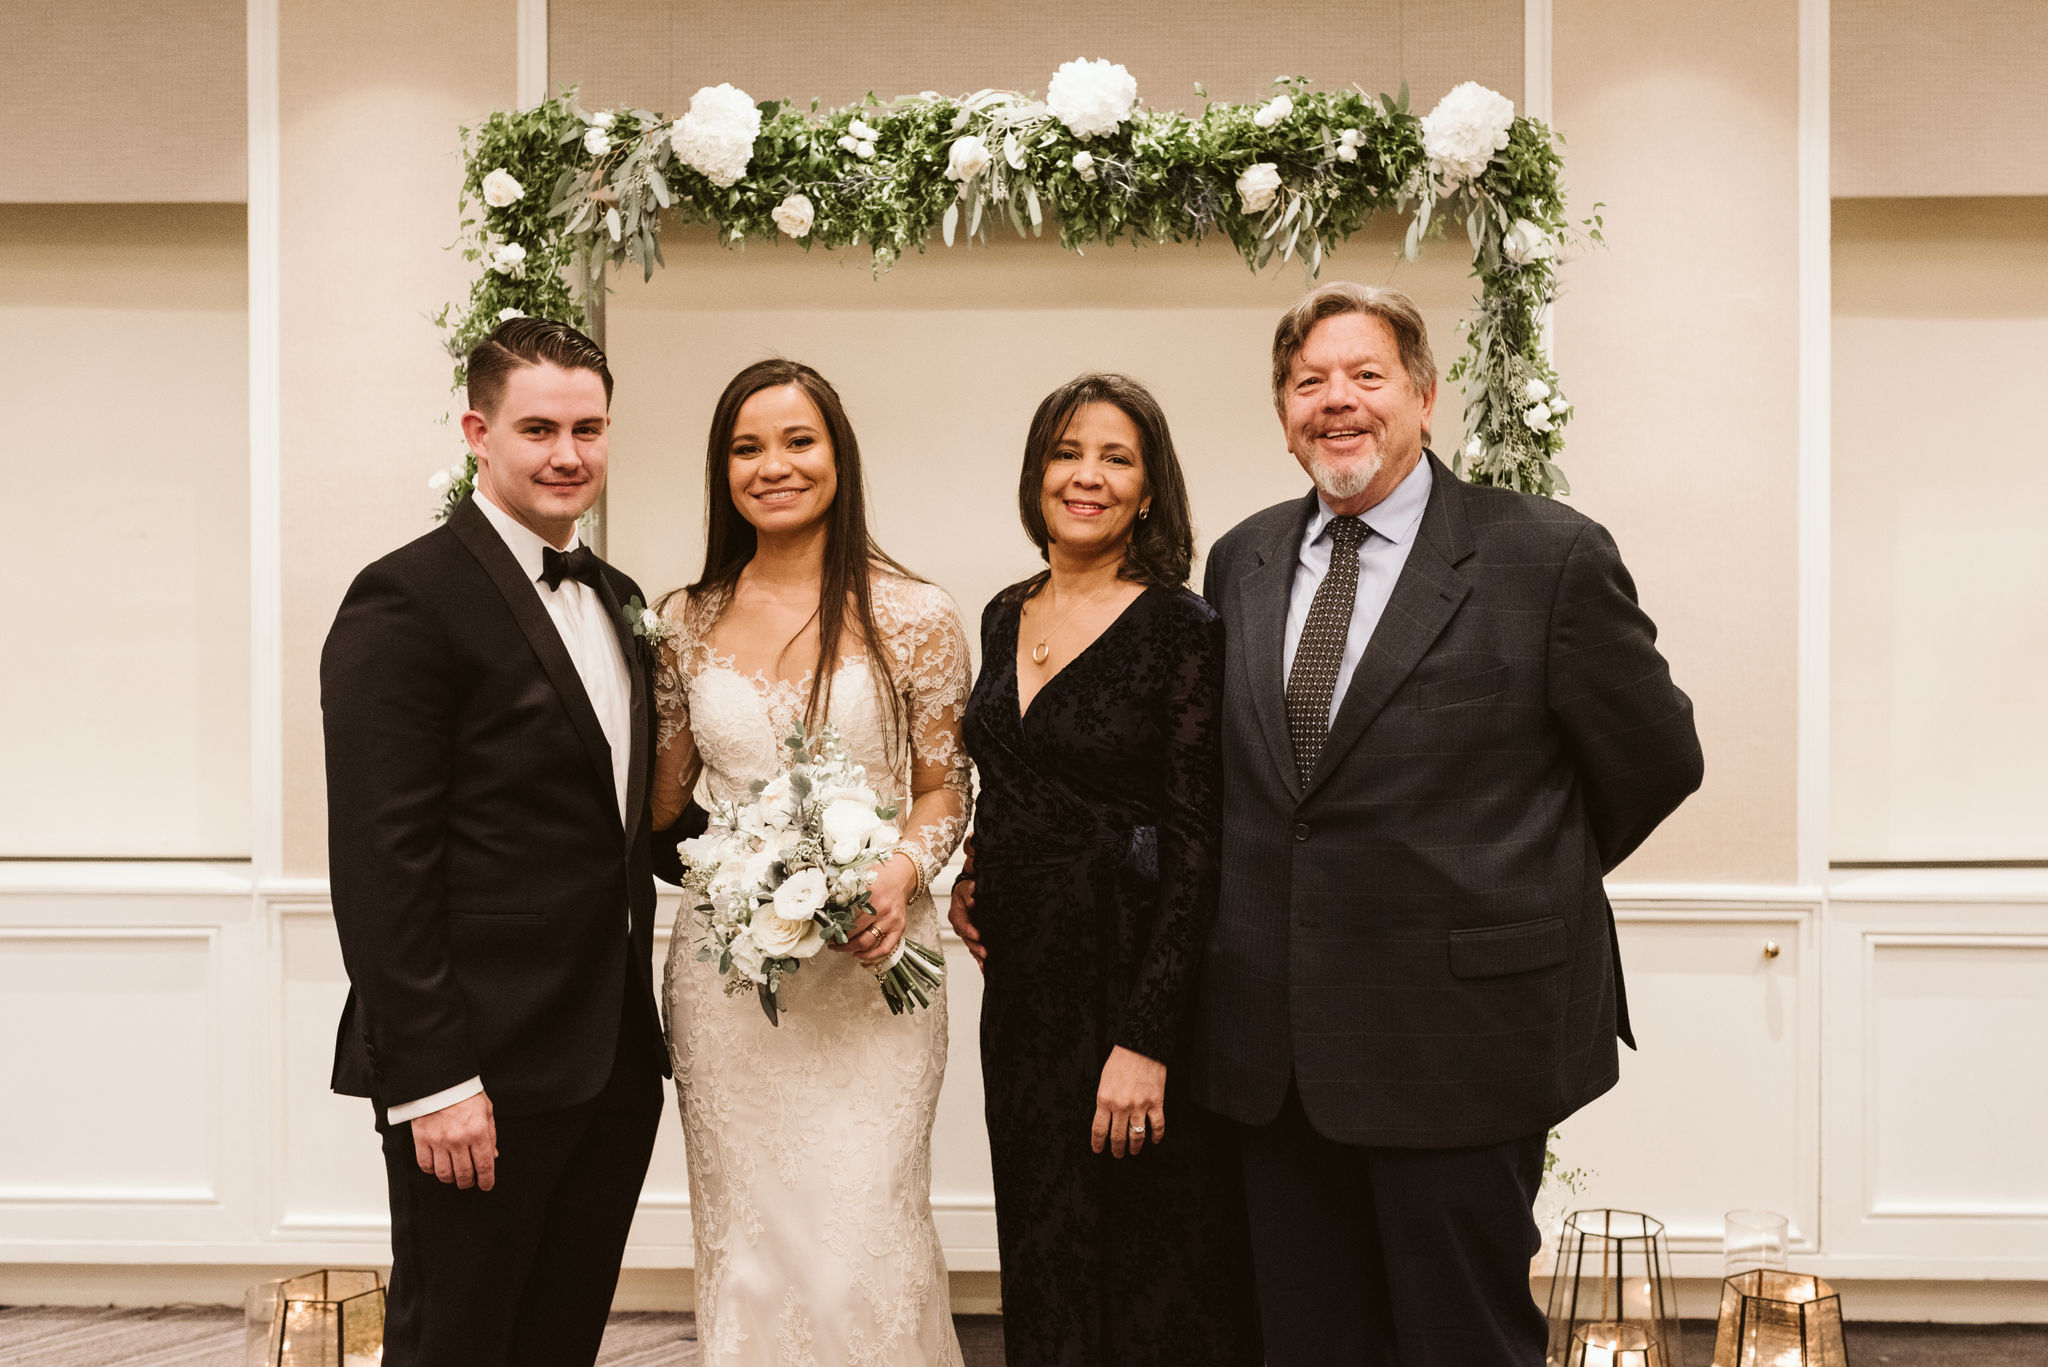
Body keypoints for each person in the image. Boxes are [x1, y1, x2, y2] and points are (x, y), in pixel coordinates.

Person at [1189, 282, 1704, 1367]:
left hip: (1460, 1040)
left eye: (1364, 375)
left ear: (1424, 395)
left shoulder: (1544, 556)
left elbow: (1654, 760)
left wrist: (1511, 876)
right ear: (1281, 412)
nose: (1335, 401)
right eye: (1306, 381)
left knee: (1459, 1339)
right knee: (1304, 1338)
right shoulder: (1239, 559)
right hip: (1271, 1047)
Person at [322, 318, 691, 1366]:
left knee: (557, 1337)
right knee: (456, 1338)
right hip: (475, 1068)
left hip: (610, 1060)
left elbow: (627, 821)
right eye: (538, 428)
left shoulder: (619, 598)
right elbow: (379, 861)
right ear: (478, 432)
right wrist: (434, 1079)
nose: (567, 453)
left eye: (588, 427)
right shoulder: (406, 596)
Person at [650, 358, 972, 1365]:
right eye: (747, 447)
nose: (773, 465)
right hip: (728, 984)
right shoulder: (686, 618)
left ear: (838, 455)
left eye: (798, 440)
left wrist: (899, 873)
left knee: (859, 1251)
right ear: (721, 469)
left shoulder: (915, 613)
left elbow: (943, 786)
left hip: (875, 977)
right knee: (749, 1255)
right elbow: (662, 803)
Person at [949, 373, 1261, 1367]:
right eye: (1065, 451)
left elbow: (1193, 836)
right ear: (1037, 471)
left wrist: (1145, 1039)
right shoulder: (1005, 612)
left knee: (1148, 1262)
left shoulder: (1180, 625)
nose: (1084, 475)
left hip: (1130, 976)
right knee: (1040, 1242)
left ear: (1147, 488)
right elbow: (1008, 774)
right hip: (1025, 989)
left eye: (1113, 457)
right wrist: (971, 871)